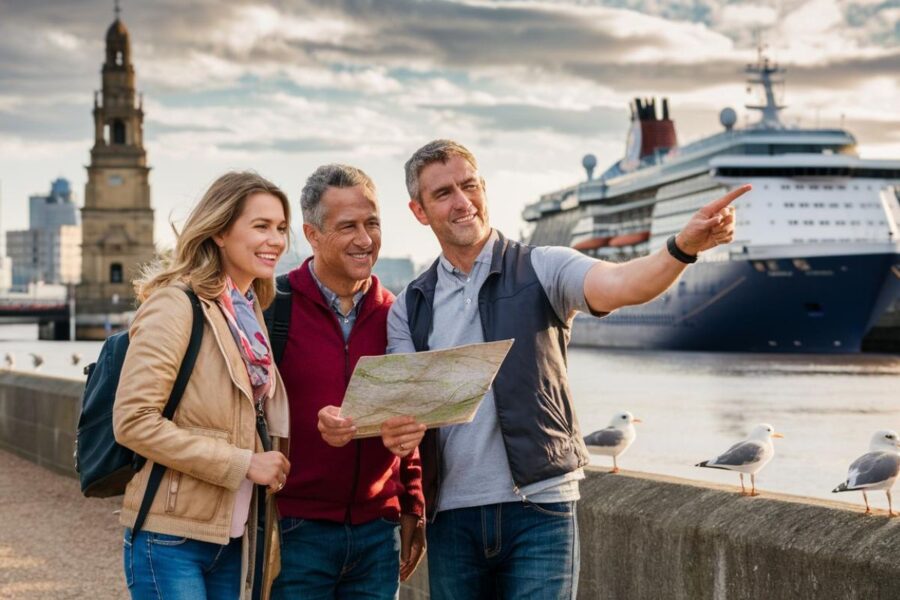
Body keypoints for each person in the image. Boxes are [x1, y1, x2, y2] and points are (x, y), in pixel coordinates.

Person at [387, 139, 748, 600]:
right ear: (419, 211)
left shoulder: (543, 267)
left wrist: (681, 248)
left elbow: (623, 283)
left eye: (470, 185)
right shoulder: (409, 307)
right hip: (452, 516)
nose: (463, 202)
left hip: (540, 506)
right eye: (443, 194)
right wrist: (399, 433)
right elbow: (404, 414)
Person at [113, 171, 293, 600]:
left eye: (281, 228)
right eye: (261, 226)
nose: (276, 240)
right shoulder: (175, 304)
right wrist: (243, 463)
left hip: (234, 537)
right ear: (219, 232)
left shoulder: (248, 314)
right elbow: (134, 421)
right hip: (171, 537)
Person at [269, 164, 426, 600]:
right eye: (348, 226)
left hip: (379, 533)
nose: (365, 238)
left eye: (372, 223)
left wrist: (412, 503)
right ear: (312, 234)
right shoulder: (270, 309)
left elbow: (412, 416)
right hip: (297, 529)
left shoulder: (399, 313)